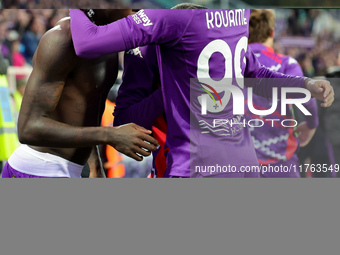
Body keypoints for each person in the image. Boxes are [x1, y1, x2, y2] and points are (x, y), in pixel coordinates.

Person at [69, 8, 334, 178]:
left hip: (194, 166)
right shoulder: (231, 21)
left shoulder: (172, 28)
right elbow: (126, 120)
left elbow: (255, 73)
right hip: (237, 164)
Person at [1, 9, 159, 178]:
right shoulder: (62, 38)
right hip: (39, 168)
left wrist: (95, 163)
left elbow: (83, 110)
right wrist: (110, 135)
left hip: (72, 169)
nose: (138, 9)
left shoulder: (108, 40)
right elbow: (28, 129)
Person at [245, 9, 319, 178]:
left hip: (239, 164)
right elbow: (305, 94)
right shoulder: (287, 63)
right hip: (280, 163)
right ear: (272, 32)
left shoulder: (232, 63)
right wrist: (311, 124)